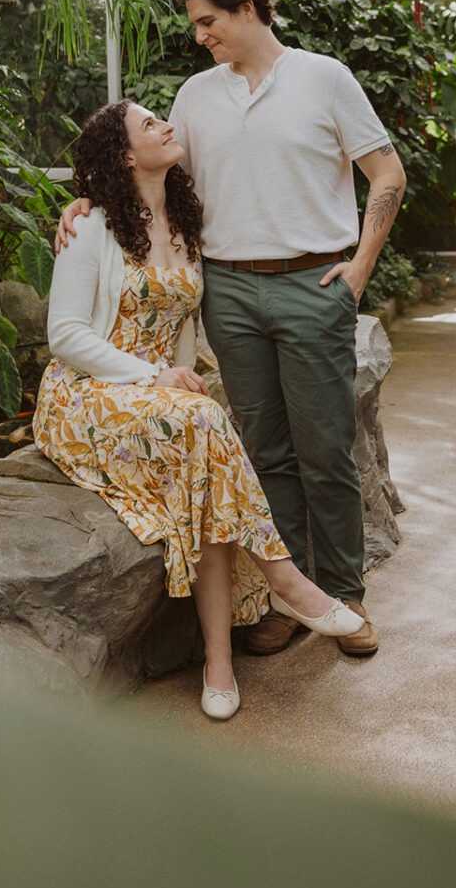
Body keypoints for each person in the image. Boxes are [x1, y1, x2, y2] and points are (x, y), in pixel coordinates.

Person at [58, 0, 406, 660]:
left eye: (207, 21)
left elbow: (387, 171)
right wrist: (88, 196)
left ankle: (345, 597)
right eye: (195, 24)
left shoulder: (324, 78)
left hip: (313, 285)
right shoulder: (194, 95)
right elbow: (151, 173)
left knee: (325, 451)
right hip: (228, 290)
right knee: (265, 452)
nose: (200, 35)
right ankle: (286, 598)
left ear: (248, 7)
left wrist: (360, 267)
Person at [34, 98, 370, 721]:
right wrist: (153, 375)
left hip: (166, 399)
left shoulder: (189, 225)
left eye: (161, 117)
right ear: (126, 155)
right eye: (149, 124)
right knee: (207, 422)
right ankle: (287, 582)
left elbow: (191, 322)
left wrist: (172, 381)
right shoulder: (91, 227)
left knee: (202, 468)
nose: (166, 125)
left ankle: (220, 663)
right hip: (87, 394)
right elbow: (66, 337)